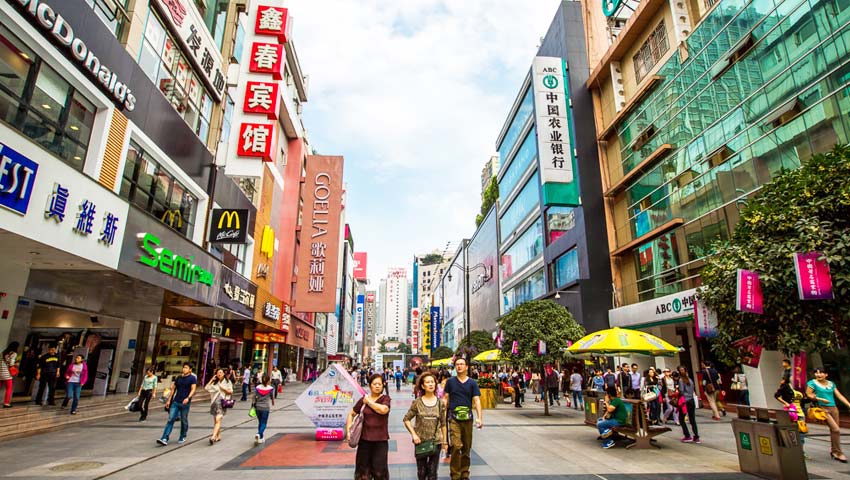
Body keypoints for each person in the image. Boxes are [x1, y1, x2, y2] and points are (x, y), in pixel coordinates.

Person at [346, 374, 391, 480]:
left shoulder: (385, 399)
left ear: (383, 386)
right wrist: (348, 430)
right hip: (364, 440)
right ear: (370, 385)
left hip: (381, 441)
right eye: (374, 384)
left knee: (379, 471)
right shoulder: (363, 400)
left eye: (379, 384)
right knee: (363, 471)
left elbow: (383, 410)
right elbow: (351, 414)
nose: (377, 386)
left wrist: (369, 402)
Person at [444, 357, 482, 480]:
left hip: (468, 418)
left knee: (466, 447)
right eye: (457, 364)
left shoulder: (472, 383)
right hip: (453, 418)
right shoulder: (450, 382)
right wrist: (442, 410)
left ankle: (465, 473)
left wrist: (479, 418)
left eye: (462, 364)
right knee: (456, 446)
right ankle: (455, 474)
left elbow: (477, 400)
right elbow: (445, 398)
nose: (459, 366)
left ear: (466, 367)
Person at [404, 372, 447, 480]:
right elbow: (406, 419)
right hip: (420, 441)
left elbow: (443, 424)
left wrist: (444, 442)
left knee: (433, 473)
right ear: (423, 386)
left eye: (432, 382)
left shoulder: (440, 403)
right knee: (422, 472)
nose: (431, 384)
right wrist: (414, 435)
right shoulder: (417, 402)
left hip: (435, 441)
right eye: (428, 382)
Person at [806, 367, 850, 463]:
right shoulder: (812, 383)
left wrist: (848, 405)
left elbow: (839, 395)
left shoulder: (831, 384)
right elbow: (809, 395)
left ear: (826, 375)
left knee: (834, 431)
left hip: (834, 409)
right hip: (822, 409)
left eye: (821, 373)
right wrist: (820, 399)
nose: (818, 375)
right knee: (836, 429)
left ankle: (834, 451)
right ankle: (839, 453)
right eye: (816, 373)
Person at [157, 363, 198, 446]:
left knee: (183, 420)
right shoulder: (178, 378)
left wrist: (188, 398)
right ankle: (164, 438)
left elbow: (193, 389)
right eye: (183, 367)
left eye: (186, 368)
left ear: (190, 370)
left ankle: (183, 435)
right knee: (170, 419)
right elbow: (173, 389)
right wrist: (169, 400)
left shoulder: (192, 378)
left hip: (185, 402)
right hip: (176, 401)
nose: (184, 369)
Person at [204, 368, 232, 445]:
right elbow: (206, 388)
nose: (219, 374)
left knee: (218, 419)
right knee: (216, 421)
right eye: (218, 372)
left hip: (222, 404)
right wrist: (211, 380)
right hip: (214, 404)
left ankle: (213, 437)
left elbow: (230, 392)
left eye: (221, 372)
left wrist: (223, 388)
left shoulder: (227, 382)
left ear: (223, 374)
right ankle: (218, 435)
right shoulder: (214, 383)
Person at [677, 366, 700, 443]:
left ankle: (687, 436)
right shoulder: (690, 380)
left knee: (681, 419)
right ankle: (696, 436)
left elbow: (681, 391)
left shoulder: (681, 380)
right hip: (691, 400)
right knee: (692, 419)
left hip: (684, 401)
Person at [254, 374, 275, 445]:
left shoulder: (257, 387)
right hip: (265, 408)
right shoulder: (270, 388)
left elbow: (254, 397)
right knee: (264, 423)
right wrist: (272, 402)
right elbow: (272, 397)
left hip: (258, 407)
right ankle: (259, 434)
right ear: (268, 380)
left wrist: (253, 404)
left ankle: (261, 438)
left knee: (260, 422)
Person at [0, 342, 19, 408]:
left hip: (0, 372)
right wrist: (16, 365)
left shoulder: (3, 352)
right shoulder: (14, 353)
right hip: (6, 373)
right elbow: (11, 364)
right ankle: (6, 403)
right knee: (9, 388)